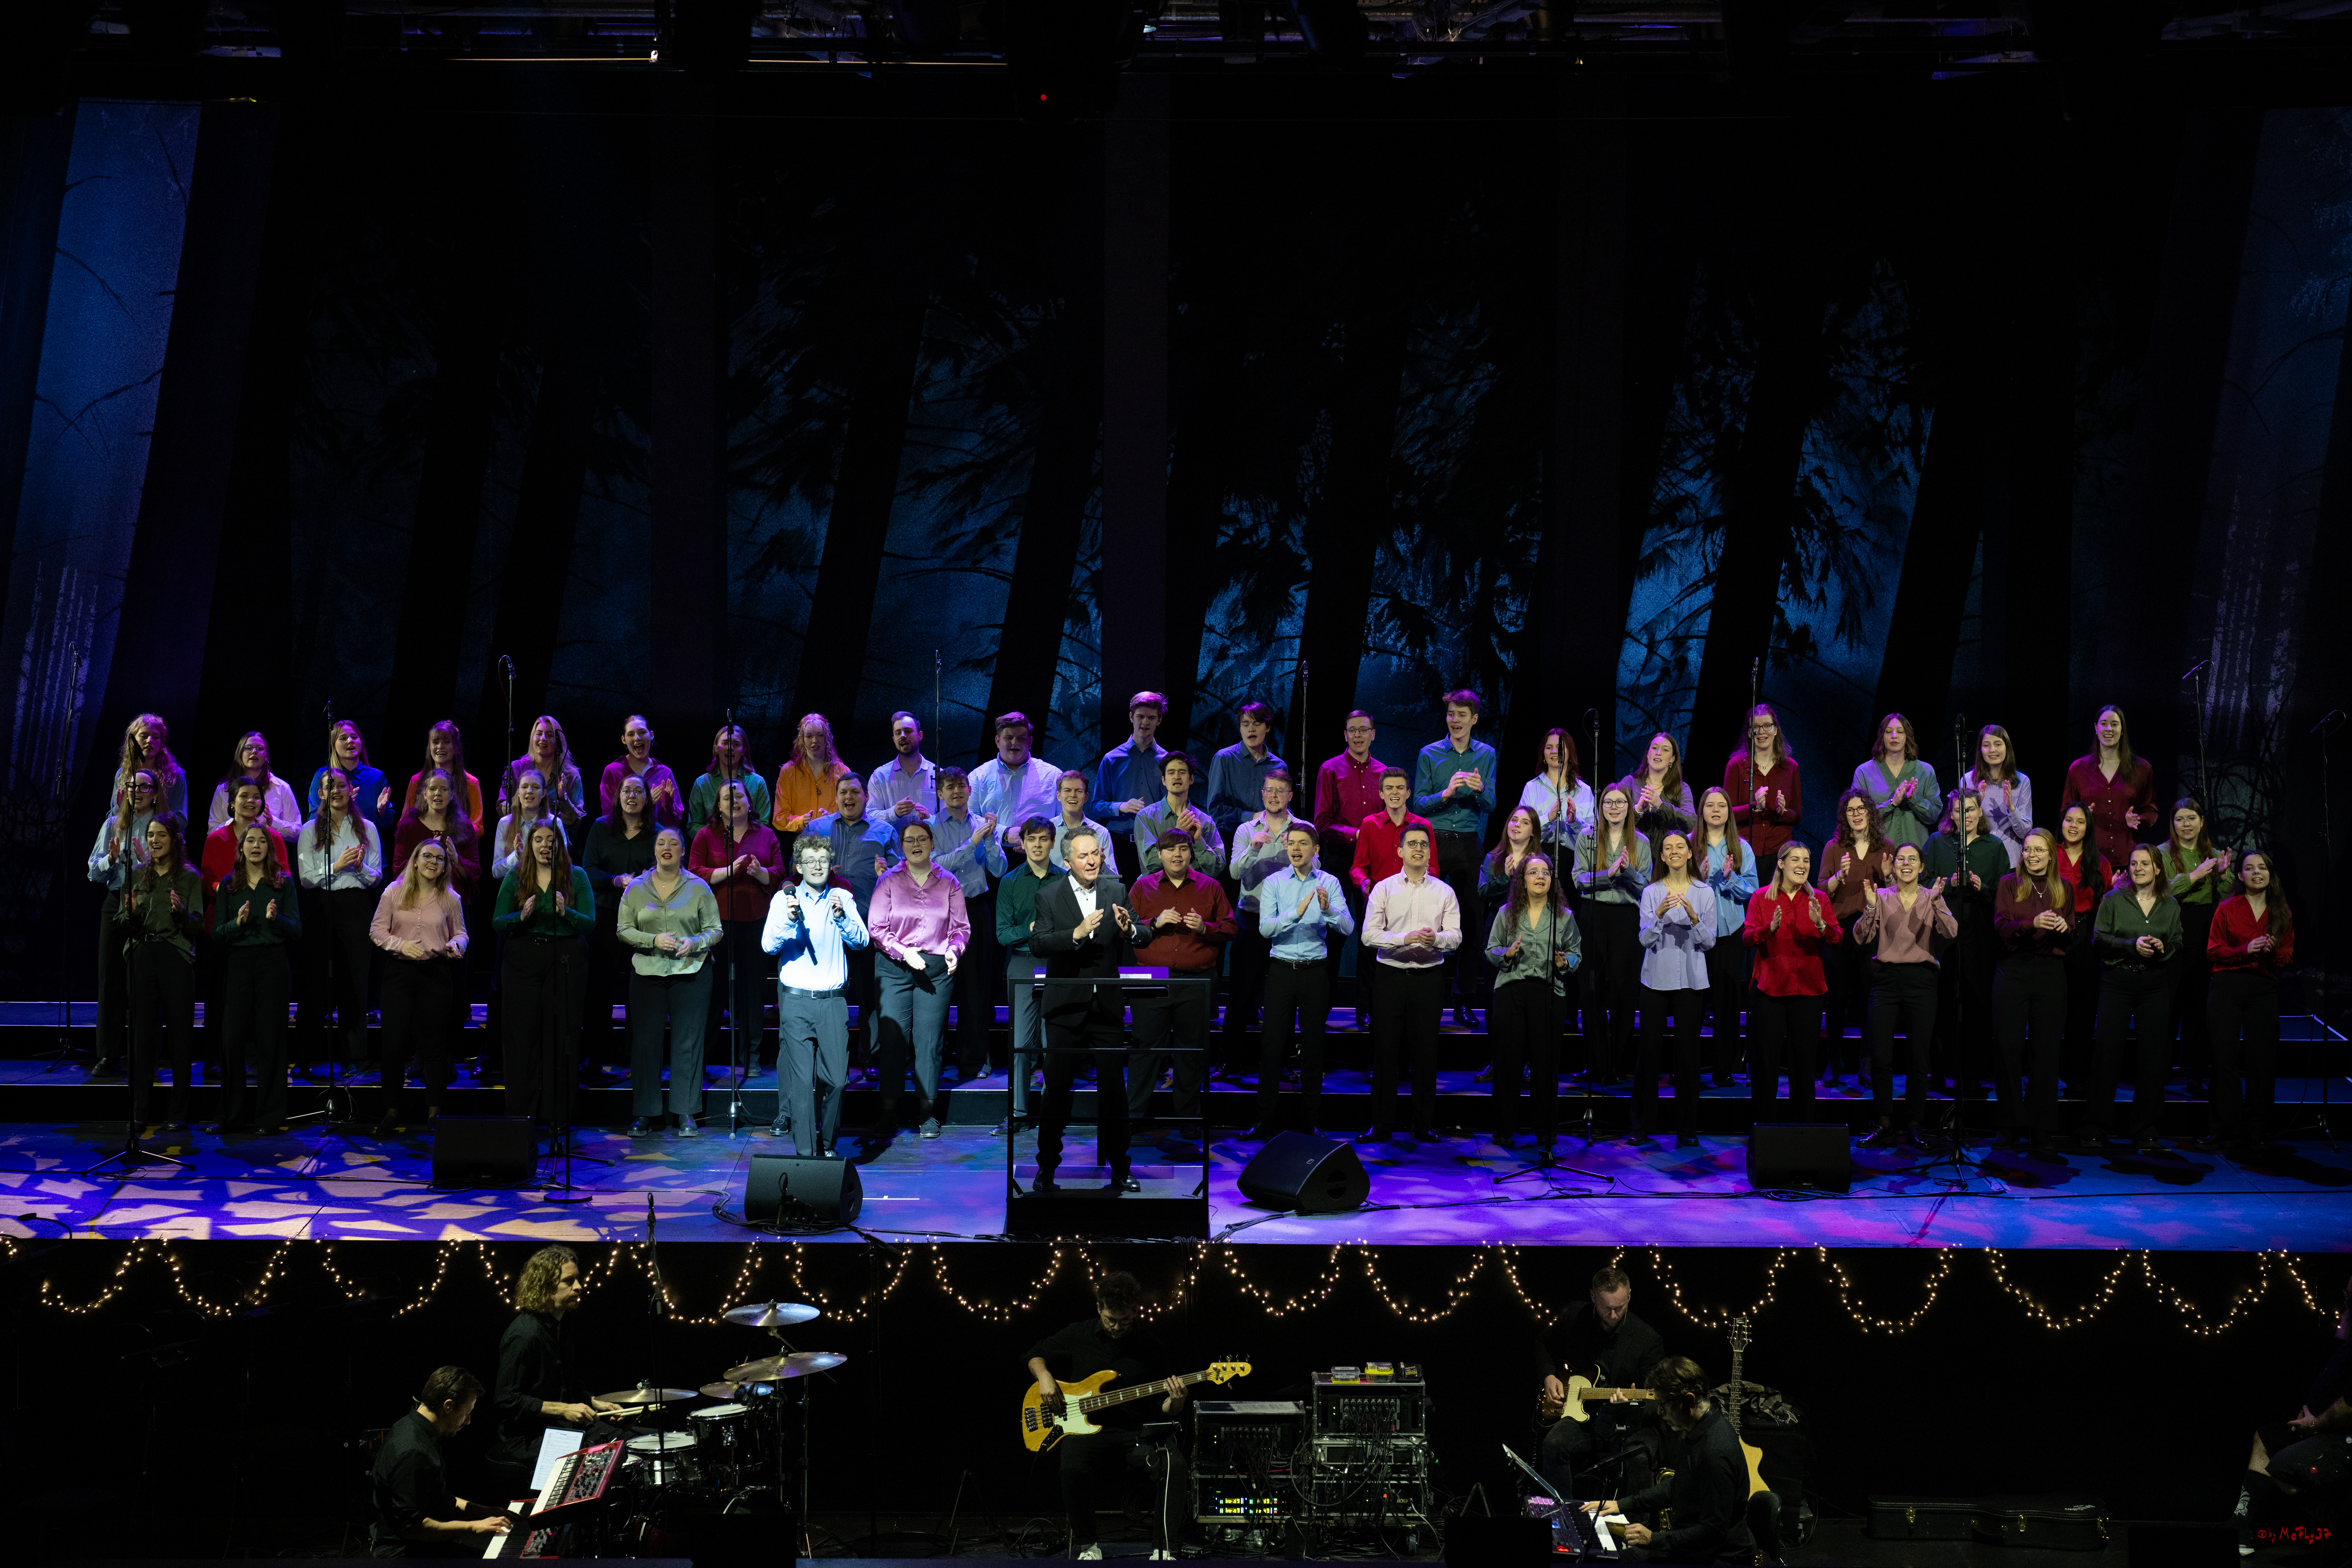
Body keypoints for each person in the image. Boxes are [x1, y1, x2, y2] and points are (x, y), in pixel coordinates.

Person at [1024, 1270, 1191, 1561]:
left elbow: (1163, 1408)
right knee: (1071, 1468)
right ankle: (1088, 1546)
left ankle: (1164, 1548)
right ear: (1099, 1309)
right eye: (1110, 1319)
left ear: (1135, 1311)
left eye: (1124, 1320)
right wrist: (1045, 1379)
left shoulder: (1151, 1346)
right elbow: (1035, 1354)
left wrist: (1176, 1402)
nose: (1117, 1327)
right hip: (1085, 1430)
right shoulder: (1080, 1333)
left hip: (1136, 1432)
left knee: (1174, 1465)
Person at [1029, 829, 1145, 1192]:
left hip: (1106, 1007)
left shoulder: (1115, 890)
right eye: (1084, 856)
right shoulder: (1049, 895)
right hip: (1066, 1008)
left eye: (1096, 853)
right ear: (1067, 862)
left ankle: (1120, 1168)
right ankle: (1047, 1168)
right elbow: (1038, 944)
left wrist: (1132, 931)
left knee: (1114, 1092)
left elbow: (1143, 932)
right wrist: (1076, 935)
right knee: (1057, 1093)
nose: (1092, 861)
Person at [1579, 1356, 1757, 1564]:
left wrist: (1652, 1538)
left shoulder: (1714, 1453)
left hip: (1717, 1557)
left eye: (1663, 1404)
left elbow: (1713, 1532)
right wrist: (1620, 1505)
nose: (1659, 1412)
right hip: (1696, 1549)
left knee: (1608, 1562)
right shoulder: (1697, 1430)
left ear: (1689, 1401)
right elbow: (1678, 1487)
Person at [482, 1247, 624, 1502]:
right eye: (569, 1282)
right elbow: (506, 1400)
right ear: (546, 1287)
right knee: (601, 1459)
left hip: (564, 1427)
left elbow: (567, 1384)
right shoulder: (524, 1335)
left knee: (632, 1442)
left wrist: (593, 1401)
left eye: (578, 1279)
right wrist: (563, 1409)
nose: (580, 1287)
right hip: (530, 1436)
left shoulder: (565, 1324)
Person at [2228, 1276, 2351, 1557]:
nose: (2346, 1301)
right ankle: (2240, 1528)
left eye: (2351, 1296)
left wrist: (2315, 1423)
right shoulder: (2348, 1341)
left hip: (2343, 1436)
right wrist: (2309, 1410)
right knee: (2268, 1437)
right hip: (2321, 1425)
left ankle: (2340, 1529)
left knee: (2283, 1465)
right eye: (2346, 1293)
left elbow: (2348, 1408)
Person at [764, 836, 871, 1154]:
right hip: (796, 1002)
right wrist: (790, 919)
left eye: (822, 860)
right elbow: (768, 946)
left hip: (833, 1002)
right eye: (810, 861)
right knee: (801, 1084)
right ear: (799, 867)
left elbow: (862, 941)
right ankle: (807, 1155)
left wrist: (841, 918)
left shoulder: (841, 897)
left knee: (838, 1080)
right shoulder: (784, 900)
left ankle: (827, 1144)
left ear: (830, 865)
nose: (816, 866)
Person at [1249, 823, 1356, 1138]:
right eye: (1291, 843)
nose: (1296, 849)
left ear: (1315, 850)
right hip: (1281, 970)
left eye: (1303, 844)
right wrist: (1296, 913)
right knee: (1271, 1047)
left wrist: (1328, 910)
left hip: (1314, 972)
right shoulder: (1275, 883)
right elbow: (1266, 930)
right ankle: (1263, 1122)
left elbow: (1348, 928)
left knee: (1313, 1048)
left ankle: (1310, 1121)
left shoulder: (1330, 882)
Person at [867, 819, 972, 1138]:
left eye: (922, 839)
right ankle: (889, 1112)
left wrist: (955, 950)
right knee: (894, 1041)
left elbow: (961, 928)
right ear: (902, 847)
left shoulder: (949, 881)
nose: (916, 845)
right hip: (894, 967)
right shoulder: (888, 881)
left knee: (929, 1043)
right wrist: (903, 952)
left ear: (932, 844)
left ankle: (927, 1113)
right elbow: (877, 928)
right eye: (910, 840)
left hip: (936, 971)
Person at [1127, 829, 1234, 1141]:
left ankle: (1189, 1118)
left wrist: (1206, 928)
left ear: (1192, 853)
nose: (1178, 855)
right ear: (1159, 855)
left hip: (1196, 981)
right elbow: (1124, 928)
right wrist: (1153, 924)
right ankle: (1133, 1116)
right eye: (1170, 850)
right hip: (1151, 981)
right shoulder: (1143, 887)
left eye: (1184, 849)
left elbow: (1230, 928)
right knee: (1145, 1051)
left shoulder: (1210, 887)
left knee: (1191, 1053)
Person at [618, 827, 722, 1137]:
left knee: (687, 1043)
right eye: (661, 843)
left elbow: (715, 929)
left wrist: (696, 942)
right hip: (648, 974)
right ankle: (646, 1113)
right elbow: (623, 929)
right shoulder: (635, 888)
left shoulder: (699, 887)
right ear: (654, 851)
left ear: (682, 851)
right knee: (647, 1044)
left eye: (674, 843)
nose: (667, 847)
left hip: (691, 973)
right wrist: (653, 939)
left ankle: (686, 1112)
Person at [1360, 823, 1460, 1143]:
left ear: (1430, 852)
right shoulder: (1384, 889)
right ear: (1400, 851)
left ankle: (1423, 1125)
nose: (1419, 849)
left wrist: (1437, 939)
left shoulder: (1445, 891)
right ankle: (1381, 1126)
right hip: (1390, 978)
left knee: (1426, 1055)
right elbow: (1368, 935)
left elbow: (1456, 937)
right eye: (1412, 844)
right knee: (1385, 1055)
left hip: (1429, 980)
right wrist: (1405, 938)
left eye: (1424, 844)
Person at [1850, 842, 1956, 1146]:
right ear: (1893, 866)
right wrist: (1871, 907)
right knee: (1881, 1057)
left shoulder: (1931, 896)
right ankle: (1884, 1123)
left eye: (1913, 860)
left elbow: (1952, 932)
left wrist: (1937, 903)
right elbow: (1861, 937)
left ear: (1922, 868)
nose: (1907, 864)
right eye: (1901, 859)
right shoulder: (1881, 896)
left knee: (1918, 1058)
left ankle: (1914, 1124)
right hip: (1885, 981)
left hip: (1921, 981)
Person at [2080, 844, 2181, 1154]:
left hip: (2154, 984)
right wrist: (2131, 945)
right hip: (2118, 982)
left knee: (2152, 1058)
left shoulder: (2171, 905)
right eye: (2134, 863)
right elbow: (2099, 939)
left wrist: (2162, 949)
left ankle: (2146, 1130)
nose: (2138, 868)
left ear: (2158, 869)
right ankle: (2096, 1127)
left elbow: (2178, 941)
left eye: (2145, 864)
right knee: (2107, 1055)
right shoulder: (2114, 900)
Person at [1537, 1265, 1667, 1504]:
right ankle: (1564, 1519)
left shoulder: (1647, 1340)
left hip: (1627, 1421)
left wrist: (1633, 1404)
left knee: (1638, 1457)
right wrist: (1549, 1377)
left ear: (1629, 1295)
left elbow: (1656, 1397)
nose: (1614, 1315)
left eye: (1620, 1307)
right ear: (1593, 1297)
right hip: (1583, 1417)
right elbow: (1542, 1345)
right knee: (1553, 1444)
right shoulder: (1576, 1315)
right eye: (1607, 1308)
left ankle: (1637, 1531)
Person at [493, 821, 595, 1125]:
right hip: (524, 957)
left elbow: (589, 924)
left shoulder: (577, 876)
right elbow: (498, 922)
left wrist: (568, 913)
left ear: (560, 844)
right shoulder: (517, 875)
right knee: (521, 1039)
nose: (545, 844)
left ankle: (558, 1118)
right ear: (529, 844)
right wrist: (520, 916)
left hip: (565, 958)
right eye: (538, 839)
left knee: (561, 1038)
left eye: (551, 839)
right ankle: (521, 1119)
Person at [1414, 690, 1500, 1028]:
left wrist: (1480, 791)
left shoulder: (1487, 754)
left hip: (1467, 843)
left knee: (1471, 924)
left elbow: (1492, 805)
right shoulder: (1429, 754)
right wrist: (1446, 793)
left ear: (1474, 719)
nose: (1456, 720)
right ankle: (1424, 995)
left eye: (1462, 715)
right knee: (1425, 918)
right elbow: (1419, 804)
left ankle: (1463, 1000)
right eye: (1451, 714)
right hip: (1433, 842)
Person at [369, 837, 468, 1132]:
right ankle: (391, 1111)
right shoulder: (393, 893)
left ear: (444, 867)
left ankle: (435, 1113)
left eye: (439, 859)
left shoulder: (451, 898)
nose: (433, 862)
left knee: (436, 1045)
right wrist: (400, 945)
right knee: (395, 1045)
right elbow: (376, 930)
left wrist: (456, 944)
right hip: (400, 973)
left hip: (436, 973)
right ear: (414, 861)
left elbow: (461, 933)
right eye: (427, 856)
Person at [1483, 852, 1579, 1152]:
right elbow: (1491, 950)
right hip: (1512, 992)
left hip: (1548, 994)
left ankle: (1546, 1131)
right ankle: (1503, 1129)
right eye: (1534, 872)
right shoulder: (1507, 913)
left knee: (1545, 1065)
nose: (1541, 877)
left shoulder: (1564, 916)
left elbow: (1577, 954)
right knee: (1508, 1063)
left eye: (1546, 872)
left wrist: (1566, 963)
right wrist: (1506, 954)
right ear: (1522, 880)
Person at [210, 821, 302, 1134]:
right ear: (242, 847)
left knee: (271, 1040)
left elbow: (298, 930)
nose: (256, 845)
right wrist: (237, 925)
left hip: (273, 963)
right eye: (250, 840)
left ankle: (270, 1117)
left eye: (262, 841)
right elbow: (217, 935)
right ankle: (231, 1116)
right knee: (233, 1039)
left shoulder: (283, 883)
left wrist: (278, 921)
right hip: (239, 964)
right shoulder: (230, 885)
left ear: (270, 848)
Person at [116, 815, 206, 1132]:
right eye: (151, 835)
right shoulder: (137, 875)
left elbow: (197, 925)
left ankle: (178, 1112)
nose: (154, 841)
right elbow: (122, 923)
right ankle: (140, 1109)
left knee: (180, 1037)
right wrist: (129, 914)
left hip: (175, 957)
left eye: (161, 835)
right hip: (143, 954)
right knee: (142, 1037)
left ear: (175, 840)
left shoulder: (189, 878)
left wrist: (180, 913)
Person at [689, 780, 784, 1077]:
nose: (735, 801)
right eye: (728, 798)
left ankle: (751, 1057)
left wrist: (761, 874)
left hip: (755, 922)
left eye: (740, 796)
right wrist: (728, 872)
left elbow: (782, 874)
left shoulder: (766, 835)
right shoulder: (706, 835)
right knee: (713, 992)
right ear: (718, 805)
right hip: (716, 925)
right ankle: (703, 1057)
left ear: (750, 802)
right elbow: (693, 873)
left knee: (753, 993)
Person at [1743, 841, 1842, 1127]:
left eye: (1807, 860)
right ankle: (1766, 1132)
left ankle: (1804, 1134)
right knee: (1766, 1066)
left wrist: (1821, 925)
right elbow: (1747, 938)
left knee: (1803, 1065)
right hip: (1770, 991)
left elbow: (1838, 938)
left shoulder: (1819, 899)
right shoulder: (1762, 898)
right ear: (1782, 864)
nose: (1802, 865)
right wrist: (1769, 930)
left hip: (1808, 992)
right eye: (1796, 860)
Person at [799, 776, 900, 1050]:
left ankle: (870, 1055)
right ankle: (825, 1053)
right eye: (843, 792)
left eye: (855, 792)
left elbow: (901, 876)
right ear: (836, 797)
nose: (849, 797)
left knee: (870, 993)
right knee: (827, 993)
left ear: (866, 797)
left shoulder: (884, 830)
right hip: (824, 925)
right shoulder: (817, 828)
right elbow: (795, 866)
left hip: (868, 924)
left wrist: (886, 873)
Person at [2202, 851, 2294, 1151]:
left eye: (2263, 868)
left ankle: (2257, 1130)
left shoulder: (2281, 912)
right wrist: (2245, 950)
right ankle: (2224, 1129)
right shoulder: (2227, 908)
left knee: (2262, 1061)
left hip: (2263, 987)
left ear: (2270, 874)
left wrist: (2271, 951)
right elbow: (2214, 951)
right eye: (2250, 868)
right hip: (2228, 985)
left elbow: (2287, 957)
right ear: (2240, 876)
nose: (2257, 872)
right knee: (2224, 1060)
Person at [371, 1366, 512, 1556]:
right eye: (467, 1412)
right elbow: (413, 1528)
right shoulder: (414, 1452)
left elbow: (436, 1496)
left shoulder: (415, 1428)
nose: (469, 1421)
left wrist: (481, 1511)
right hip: (405, 1553)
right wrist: (473, 1526)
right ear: (448, 1406)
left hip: (426, 1544)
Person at [1991, 827, 2073, 1149]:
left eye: (2040, 850)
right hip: (2014, 969)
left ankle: (2042, 1127)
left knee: (2047, 1050)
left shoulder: (2063, 888)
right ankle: (2010, 1123)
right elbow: (2001, 926)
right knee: (2009, 1047)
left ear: (2052, 855)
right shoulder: (2009, 884)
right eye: (2028, 850)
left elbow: (2073, 934)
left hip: (2050, 972)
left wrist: (2065, 929)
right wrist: (2033, 924)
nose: (2033, 856)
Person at [297, 768, 383, 1073]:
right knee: (315, 983)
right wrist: (337, 866)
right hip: (320, 907)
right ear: (321, 794)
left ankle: (354, 1056)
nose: (336, 790)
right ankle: (306, 1057)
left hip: (356, 907)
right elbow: (307, 880)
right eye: (329, 786)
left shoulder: (367, 828)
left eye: (341, 785)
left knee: (354, 982)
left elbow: (376, 877)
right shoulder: (310, 830)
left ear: (351, 791)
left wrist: (358, 868)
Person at [1924, 790, 2006, 1105]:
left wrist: (1981, 887)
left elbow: (2004, 890)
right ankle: (1939, 1070)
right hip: (1944, 932)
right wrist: (1951, 883)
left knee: (1975, 1001)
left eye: (1971, 810)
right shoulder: (1937, 843)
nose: (1966, 816)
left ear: (1980, 812)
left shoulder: (1994, 846)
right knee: (1942, 999)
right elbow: (1926, 882)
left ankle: (1972, 1072)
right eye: (1959, 810)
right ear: (1951, 813)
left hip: (1979, 932)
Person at [1634, 829, 1715, 1147]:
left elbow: (1709, 942)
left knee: (1688, 1056)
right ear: (1663, 857)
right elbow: (1644, 939)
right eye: (1668, 848)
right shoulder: (1652, 892)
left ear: (1690, 853)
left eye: (1680, 846)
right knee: (1649, 1053)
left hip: (1691, 980)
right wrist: (1659, 915)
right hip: (1656, 978)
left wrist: (1694, 918)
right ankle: (1641, 1126)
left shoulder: (1704, 892)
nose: (1675, 852)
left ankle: (1687, 1130)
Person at [927, 766, 1007, 1085]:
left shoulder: (982, 824)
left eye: (962, 786)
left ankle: (974, 1059)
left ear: (969, 791)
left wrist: (988, 841)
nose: (957, 791)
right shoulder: (930, 826)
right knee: (939, 987)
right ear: (940, 793)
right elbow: (934, 867)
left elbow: (999, 869)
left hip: (975, 910)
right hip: (939, 912)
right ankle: (935, 1057)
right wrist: (969, 844)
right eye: (950, 787)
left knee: (976, 989)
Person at [1225, 766, 1306, 1071]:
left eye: (1280, 791)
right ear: (1262, 794)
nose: (1274, 796)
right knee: (1242, 992)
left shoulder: (1302, 830)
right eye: (1269, 791)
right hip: (1252, 918)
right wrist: (1254, 849)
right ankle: (1231, 1060)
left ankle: (1281, 1061)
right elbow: (1234, 873)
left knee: (1283, 998)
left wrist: (1296, 853)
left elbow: (1317, 871)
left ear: (1290, 795)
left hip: (1287, 922)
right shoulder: (1247, 830)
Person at [1350, 768, 1439, 1032]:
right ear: (1381, 794)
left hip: (1414, 900)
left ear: (1409, 793)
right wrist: (1364, 883)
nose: (1395, 793)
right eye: (1389, 788)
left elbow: (1433, 867)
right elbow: (1357, 867)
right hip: (1378, 902)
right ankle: (1365, 1011)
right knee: (1369, 958)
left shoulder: (1423, 827)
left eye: (1400, 788)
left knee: (1409, 956)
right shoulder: (1370, 824)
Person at [1574, 785, 1651, 1087]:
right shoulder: (1588, 837)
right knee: (1591, 992)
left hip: (1625, 919)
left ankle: (1618, 1066)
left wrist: (1629, 872)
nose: (1615, 807)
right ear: (1601, 806)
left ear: (1629, 807)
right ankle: (1595, 1064)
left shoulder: (1641, 842)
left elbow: (1646, 887)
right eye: (1609, 802)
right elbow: (1579, 879)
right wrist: (1607, 875)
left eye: (1621, 802)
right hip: (1593, 916)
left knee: (1623, 992)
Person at [2159, 797, 2236, 1098]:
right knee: (2168, 1004)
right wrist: (2193, 876)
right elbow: (2161, 889)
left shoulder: (2215, 854)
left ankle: (2194, 1074)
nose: (2186, 824)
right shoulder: (2163, 853)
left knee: (2197, 1007)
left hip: (2204, 929)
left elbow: (2226, 900)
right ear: (2173, 823)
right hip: (2173, 926)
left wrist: (2223, 875)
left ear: (2202, 822)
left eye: (2192, 818)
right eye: (2180, 819)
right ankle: (2159, 1069)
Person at [580, 775, 658, 1072]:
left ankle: (636, 1055)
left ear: (647, 798)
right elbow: (587, 869)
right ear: (619, 796)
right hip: (606, 916)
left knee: (639, 988)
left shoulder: (657, 833)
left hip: (643, 919)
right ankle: (595, 1054)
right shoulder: (602, 828)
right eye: (627, 791)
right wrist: (616, 880)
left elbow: (666, 869)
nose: (632, 796)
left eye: (639, 791)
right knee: (600, 988)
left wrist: (643, 881)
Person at [87, 767, 160, 1074]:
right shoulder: (113, 824)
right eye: (132, 787)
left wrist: (145, 863)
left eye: (144, 788)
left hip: (148, 904)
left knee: (142, 982)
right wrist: (112, 859)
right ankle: (109, 1053)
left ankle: (142, 1054)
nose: (137, 792)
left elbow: (172, 870)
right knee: (110, 978)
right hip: (116, 901)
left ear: (155, 794)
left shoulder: (162, 826)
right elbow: (92, 871)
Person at [1818, 789, 1891, 1088]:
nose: (1857, 814)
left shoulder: (1884, 847)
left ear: (1871, 813)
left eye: (1861, 809)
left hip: (1872, 929)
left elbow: (1895, 891)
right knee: (1836, 998)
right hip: (1841, 928)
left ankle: (1867, 1061)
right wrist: (1839, 877)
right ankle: (1833, 1060)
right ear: (1844, 816)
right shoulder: (1835, 848)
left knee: (1869, 999)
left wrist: (1887, 878)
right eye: (1850, 810)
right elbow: (1822, 889)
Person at [995, 817, 1059, 1119]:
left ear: (1052, 842)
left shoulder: (1064, 880)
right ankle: (1019, 1112)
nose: (1037, 844)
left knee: (1053, 1045)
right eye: (1031, 839)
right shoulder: (1010, 881)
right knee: (1021, 1044)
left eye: (1043, 839)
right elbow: (1003, 934)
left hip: (1056, 965)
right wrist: (1031, 928)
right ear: (1022, 843)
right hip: (1022, 963)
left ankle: (1051, 1112)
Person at [1693, 787, 1757, 1088]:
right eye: (1710, 805)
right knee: (1693, 1002)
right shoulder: (1690, 846)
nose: (1716, 810)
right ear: (1702, 811)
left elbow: (1755, 892)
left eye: (1722, 805)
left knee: (1728, 1004)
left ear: (1730, 812)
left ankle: (1724, 1067)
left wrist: (1730, 879)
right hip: (1695, 933)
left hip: (1730, 932)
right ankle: (1689, 1065)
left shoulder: (1741, 848)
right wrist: (1701, 880)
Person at [2060, 703, 2158, 881]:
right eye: (2104, 724)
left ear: (2123, 729)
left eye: (2115, 724)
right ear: (2096, 728)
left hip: (2127, 860)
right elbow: (2066, 811)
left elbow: (2151, 811)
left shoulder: (2142, 769)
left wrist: (2137, 819)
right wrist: (2081, 815)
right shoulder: (2079, 769)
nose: (2109, 729)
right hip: (2089, 858)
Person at [2052, 803, 2113, 1084]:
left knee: (2083, 1007)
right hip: (2052, 931)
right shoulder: (2049, 853)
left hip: (2086, 934)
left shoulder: (2099, 862)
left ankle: (2076, 1072)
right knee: (2051, 1006)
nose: (2073, 826)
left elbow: (2104, 906)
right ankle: (2046, 1071)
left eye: (2080, 822)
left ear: (2088, 828)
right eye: (2068, 820)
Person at [1095, 690, 1171, 881]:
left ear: (1159, 720)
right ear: (1131, 717)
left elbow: (1174, 805)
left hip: (1156, 845)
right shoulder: (1112, 759)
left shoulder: (1168, 761)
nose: (1145, 722)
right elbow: (1096, 806)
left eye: (1151, 718)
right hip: (1120, 846)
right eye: (1140, 717)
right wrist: (1121, 807)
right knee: (1122, 904)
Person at [970, 710, 1066, 851]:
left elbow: (1064, 819)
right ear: (997, 741)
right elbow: (969, 819)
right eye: (1009, 738)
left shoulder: (1053, 775)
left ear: (1031, 742)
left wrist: (1037, 840)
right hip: (992, 856)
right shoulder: (978, 777)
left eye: (1022, 738)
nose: (1015, 743)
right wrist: (1004, 834)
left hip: (1043, 855)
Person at [1852, 712, 1940, 856]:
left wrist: (1914, 800)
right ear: (1882, 737)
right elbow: (1858, 816)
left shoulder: (1926, 771)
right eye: (1889, 732)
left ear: (1907, 737)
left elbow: (1934, 814)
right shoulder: (1864, 772)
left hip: (1915, 853)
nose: (1894, 736)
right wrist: (1892, 804)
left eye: (1900, 732)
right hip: (1876, 851)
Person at [1724, 704, 1802, 865]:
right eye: (1756, 727)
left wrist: (1784, 812)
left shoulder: (1791, 767)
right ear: (1749, 732)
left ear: (1776, 730)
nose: (1761, 732)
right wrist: (1754, 809)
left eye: (1767, 726)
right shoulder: (1736, 766)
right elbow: (1727, 813)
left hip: (1779, 853)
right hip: (1743, 850)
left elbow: (1798, 815)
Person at [1204, 700, 1287, 851]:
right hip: (1229, 839)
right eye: (1246, 724)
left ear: (1268, 727)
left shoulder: (1279, 766)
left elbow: (1285, 808)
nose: (1251, 729)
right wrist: (1252, 817)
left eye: (1257, 724)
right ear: (1240, 729)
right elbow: (1215, 809)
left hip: (1267, 841)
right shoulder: (1224, 759)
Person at [307, 718, 398, 850]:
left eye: (355, 737)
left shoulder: (376, 777)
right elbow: (313, 820)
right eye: (343, 738)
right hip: (335, 851)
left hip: (370, 852)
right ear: (334, 745)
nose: (351, 741)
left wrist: (381, 812)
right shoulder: (324, 776)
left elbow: (389, 825)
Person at [1313, 709, 1386, 871]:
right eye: (1352, 731)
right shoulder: (1329, 769)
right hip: (1339, 857)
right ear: (1346, 736)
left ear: (1373, 734)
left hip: (1374, 857)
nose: (1358, 735)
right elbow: (1321, 823)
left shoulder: (1384, 773)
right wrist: (1355, 834)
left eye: (1363, 730)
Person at [1134, 752, 1227, 878]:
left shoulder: (1205, 821)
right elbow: (1150, 863)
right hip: (1157, 890)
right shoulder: (1146, 817)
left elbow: (1218, 868)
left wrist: (1199, 842)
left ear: (1192, 779)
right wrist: (1178, 834)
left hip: (1193, 890)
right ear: (1164, 780)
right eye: (1171, 773)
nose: (1177, 777)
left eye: (1182, 772)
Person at [393, 770, 481, 900]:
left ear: (452, 795)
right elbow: (397, 870)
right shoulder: (409, 827)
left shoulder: (465, 827)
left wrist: (456, 859)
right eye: (433, 789)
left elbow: (475, 873)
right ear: (425, 794)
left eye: (444, 789)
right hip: (417, 898)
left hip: (454, 901)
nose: (438, 794)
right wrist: (424, 855)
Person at [495, 714, 588, 830]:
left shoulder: (571, 776)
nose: (543, 738)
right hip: (519, 836)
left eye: (550, 735)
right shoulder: (517, 768)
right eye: (539, 734)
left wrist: (563, 799)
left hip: (554, 842)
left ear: (559, 742)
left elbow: (577, 821)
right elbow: (503, 806)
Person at [1960, 724, 2033, 868]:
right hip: (1977, 857)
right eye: (1986, 745)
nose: (1992, 750)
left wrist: (2012, 808)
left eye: (1998, 744)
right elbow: (1961, 825)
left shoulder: (2022, 782)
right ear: (1980, 750)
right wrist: (1976, 804)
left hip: (2010, 860)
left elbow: (2025, 833)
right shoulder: (1968, 781)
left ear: (2007, 748)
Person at [206, 730, 303, 839]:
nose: (254, 752)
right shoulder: (224, 789)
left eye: (260, 749)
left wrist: (273, 822)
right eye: (248, 748)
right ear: (240, 753)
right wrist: (236, 822)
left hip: (268, 853)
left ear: (267, 756)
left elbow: (298, 833)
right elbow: (212, 832)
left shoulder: (281, 788)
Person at [1617, 731, 1698, 860]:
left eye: (1665, 750)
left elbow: (1693, 823)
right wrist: (1638, 810)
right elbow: (1615, 819)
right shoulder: (1630, 783)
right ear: (1648, 755)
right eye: (1654, 748)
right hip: (1632, 857)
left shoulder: (1682, 789)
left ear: (1672, 759)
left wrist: (1661, 806)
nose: (1658, 752)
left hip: (1667, 860)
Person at [202, 778, 294, 890]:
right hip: (226, 903)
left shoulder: (274, 838)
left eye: (256, 797)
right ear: (233, 803)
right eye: (244, 796)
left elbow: (285, 878)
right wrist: (224, 890)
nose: (251, 800)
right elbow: (207, 881)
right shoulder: (215, 839)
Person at [772, 711, 853, 836]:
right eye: (809, 736)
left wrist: (832, 819)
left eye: (820, 735)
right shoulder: (789, 772)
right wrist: (801, 822)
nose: (815, 741)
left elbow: (851, 810)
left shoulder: (842, 772)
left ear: (827, 738)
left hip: (833, 840)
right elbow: (780, 817)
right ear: (802, 739)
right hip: (801, 842)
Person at [687, 722, 771, 840]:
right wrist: (719, 838)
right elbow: (693, 826)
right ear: (717, 748)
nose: (730, 748)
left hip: (748, 849)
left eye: (736, 745)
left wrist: (741, 839)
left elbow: (763, 824)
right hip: (713, 850)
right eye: (726, 743)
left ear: (744, 751)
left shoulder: (758, 783)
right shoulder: (702, 783)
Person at [1519, 727, 1595, 858]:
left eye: (1560, 747)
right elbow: (1521, 827)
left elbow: (1595, 834)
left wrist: (1575, 822)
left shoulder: (1585, 791)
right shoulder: (1532, 788)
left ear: (1570, 754)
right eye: (1549, 748)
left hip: (1575, 858)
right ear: (1544, 755)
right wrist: (1548, 818)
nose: (1554, 751)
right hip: (1538, 856)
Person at [600, 713, 682, 829]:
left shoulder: (665, 773)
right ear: (624, 740)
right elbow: (609, 817)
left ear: (652, 735)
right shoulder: (613, 771)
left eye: (643, 733)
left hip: (655, 842)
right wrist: (646, 804)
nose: (637, 738)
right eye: (631, 734)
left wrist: (669, 804)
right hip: (623, 840)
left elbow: (673, 824)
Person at [402, 720, 486, 831]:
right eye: (435, 743)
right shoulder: (417, 781)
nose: (440, 747)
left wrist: (448, 838)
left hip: (455, 846)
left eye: (447, 742)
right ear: (429, 747)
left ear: (456, 747)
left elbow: (477, 826)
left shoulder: (471, 782)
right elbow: (404, 822)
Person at [488, 768, 568, 884]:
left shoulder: (555, 823)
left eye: (536, 787)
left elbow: (564, 864)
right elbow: (497, 872)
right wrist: (517, 856)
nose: (530, 791)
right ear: (519, 793)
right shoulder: (505, 823)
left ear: (544, 794)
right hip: (517, 890)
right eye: (525, 787)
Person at [864, 710, 937, 827]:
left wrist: (931, 821)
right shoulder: (880, 776)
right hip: (892, 845)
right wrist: (893, 813)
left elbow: (948, 816)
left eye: (908, 731)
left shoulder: (938, 774)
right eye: (898, 733)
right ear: (894, 740)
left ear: (920, 736)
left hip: (928, 844)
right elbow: (869, 815)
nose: (903, 736)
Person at [114, 711, 188, 818]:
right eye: (144, 736)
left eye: (156, 737)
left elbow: (181, 820)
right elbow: (112, 817)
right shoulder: (123, 774)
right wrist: (121, 809)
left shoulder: (174, 776)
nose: (150, 741)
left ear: (162, 743)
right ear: (133, 741)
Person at [1045, 770, 1113, 875]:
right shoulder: (1046, 830)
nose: (1073, 795)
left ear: (1086, 797)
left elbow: (1115, 879)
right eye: (1067, 791)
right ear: (1059, 796)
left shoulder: (1101, 833)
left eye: (1079, 791)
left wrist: (1102, 864)